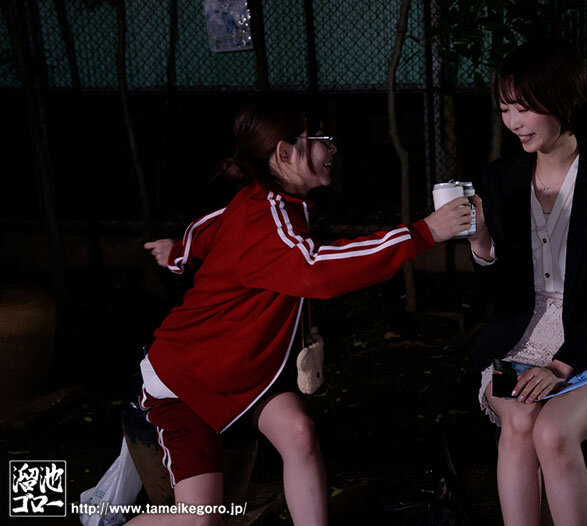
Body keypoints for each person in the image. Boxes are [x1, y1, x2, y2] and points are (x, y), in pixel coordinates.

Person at [131, 101, 471, 526]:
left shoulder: (265, 201)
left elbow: (210, 227)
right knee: (198, 519)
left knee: (299, 434)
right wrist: (425, 232)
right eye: (322, 139)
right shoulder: (269, 219)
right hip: (185, 382)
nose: (333, 149)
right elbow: (317, 269)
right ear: (284, 152)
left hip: (244, 373)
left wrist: (179, 252)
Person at [467, 39, 587, 526]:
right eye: (505, 109)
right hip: (521, 338)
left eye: (523, 108)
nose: (513, 122)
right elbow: (499, 290)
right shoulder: (500, 178)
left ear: (562, 101)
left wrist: (562, 364)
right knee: (520, 421)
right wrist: (481, 241)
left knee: (552, 432)